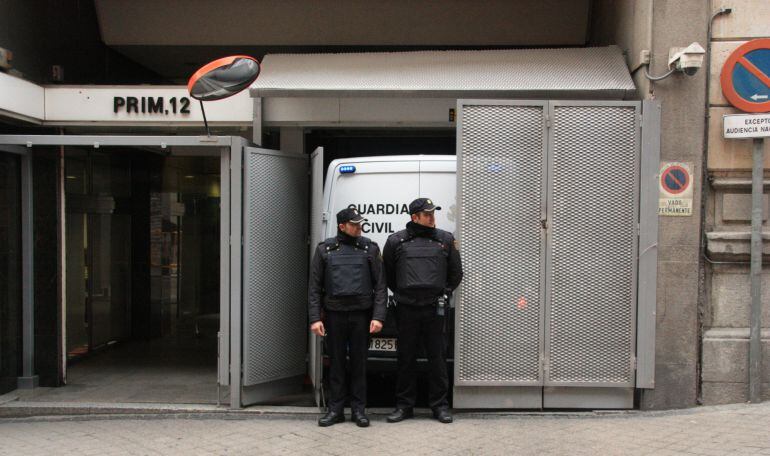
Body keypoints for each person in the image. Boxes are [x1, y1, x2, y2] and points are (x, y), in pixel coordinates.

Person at [383, 198, 463, 424]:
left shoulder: (445, 240)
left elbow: (456, 273)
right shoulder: (396, 241)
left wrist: (442, 292)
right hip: (407, 309)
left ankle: (439, 406)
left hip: (434, 309)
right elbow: (388, 275)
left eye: (433, 213)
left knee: (436, 359)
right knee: (405, 358)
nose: (432, 218)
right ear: (414, 217)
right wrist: (404, 294)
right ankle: (404, 406)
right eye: (427, 214)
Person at [308, 206, 387, 427]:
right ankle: (335, 410)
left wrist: (378, 316)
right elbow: (314, 287)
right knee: (336, 364)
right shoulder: (325, 250)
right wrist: (315, 319)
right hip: (334, 315)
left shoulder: (369, 249)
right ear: (342, 226)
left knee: (360, 364)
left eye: (360, 223)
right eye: (354, 224)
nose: (359, 227)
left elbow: (380, 286)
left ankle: (359, 411)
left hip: (362, 315)